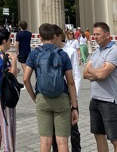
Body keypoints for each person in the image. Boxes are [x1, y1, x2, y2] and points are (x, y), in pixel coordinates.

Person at [23, 23, 79, 152]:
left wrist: (35, 97)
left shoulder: (34, 54)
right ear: (54, 36)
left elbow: (25, 79)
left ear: (40, 38)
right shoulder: (63, 54)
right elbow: (71, 82)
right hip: (61, 98)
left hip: (42, 98)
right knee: (62, 142)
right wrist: (74, 107)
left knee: (45, 142)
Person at [83, 22, 117, 152]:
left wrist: (92, 70)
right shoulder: (96, 52)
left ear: (107, 35)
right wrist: (96, 73)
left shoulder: (115, 52)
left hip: (110, 101)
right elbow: (85, 74)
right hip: (95, 99)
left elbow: (102, 74)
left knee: (115, 139)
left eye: (98, 34)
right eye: (94, 34)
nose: (95, 37)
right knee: (99, 136)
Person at [53, 25, 82, 152]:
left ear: (59, 36)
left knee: (73, 128)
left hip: (69, 95)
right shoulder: (50, 51)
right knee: (54, 130)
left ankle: (76, 150)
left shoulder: (70, 51)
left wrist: (74, 97)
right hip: (55, 95)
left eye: (52, 37)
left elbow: (76, 75)